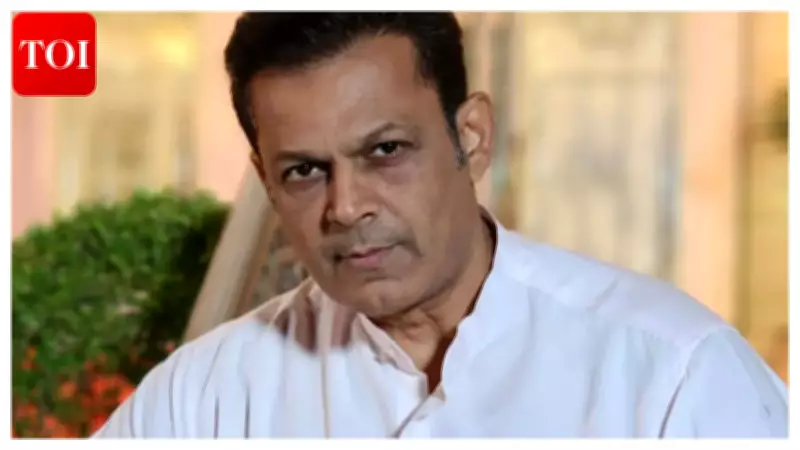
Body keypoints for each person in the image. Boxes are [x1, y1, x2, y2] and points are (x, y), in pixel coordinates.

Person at [93, 12, 788, 438]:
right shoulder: (208, 395)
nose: (346, 206)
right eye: (304, 170)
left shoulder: (671, 375)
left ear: (472, 137)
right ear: (266, 180)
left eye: (385, 151)